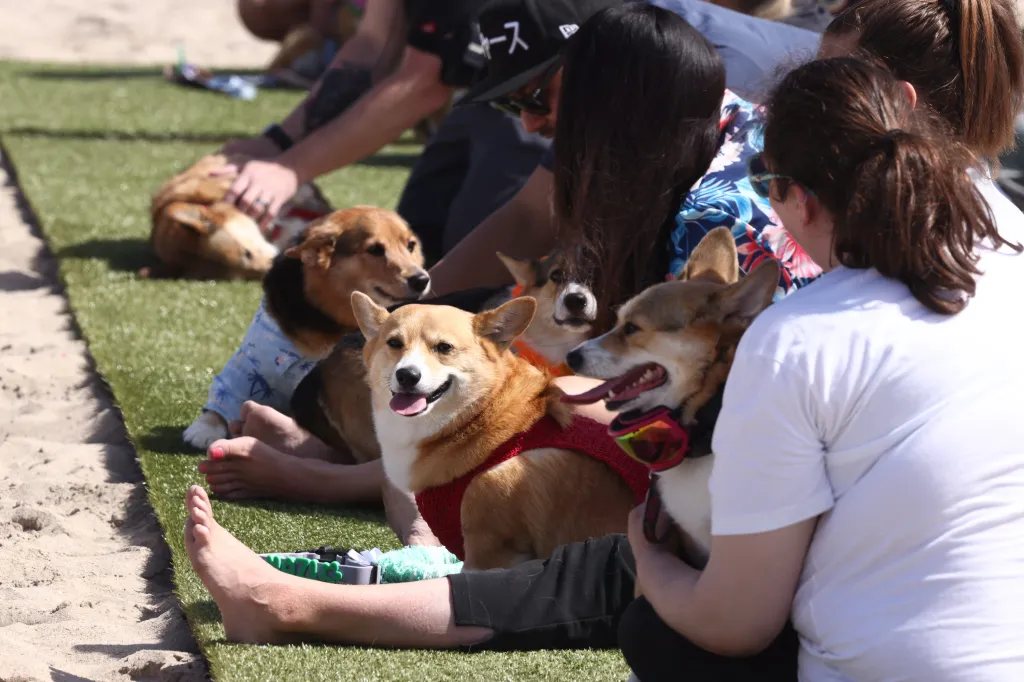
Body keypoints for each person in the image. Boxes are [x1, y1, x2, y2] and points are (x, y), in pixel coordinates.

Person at [185, 2, 821, 654]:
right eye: (511, 102)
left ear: (608, 103)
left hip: (744, 511)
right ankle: (363, 473)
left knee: (576, 539)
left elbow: (720, 426)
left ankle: (296, 589)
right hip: (735, 492)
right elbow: (524, 221)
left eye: (535, 96)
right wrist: (396, 324)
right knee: (486, 357)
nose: (531, 123)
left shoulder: (712, 212)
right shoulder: (676, 120)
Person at [622, 54, 1024, 681]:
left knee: (656, 634)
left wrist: (649, 562)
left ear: (801, 201)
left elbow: (736, 623)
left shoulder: (796, 338)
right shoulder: (1013, 258)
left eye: (763, 178)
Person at [220, 0, 558, 264]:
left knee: (481, 258)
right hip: (491, 99)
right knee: (416, 243)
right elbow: (373, 45)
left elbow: (424, 83)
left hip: (555, 104)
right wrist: (277, 142)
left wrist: (289, 168)